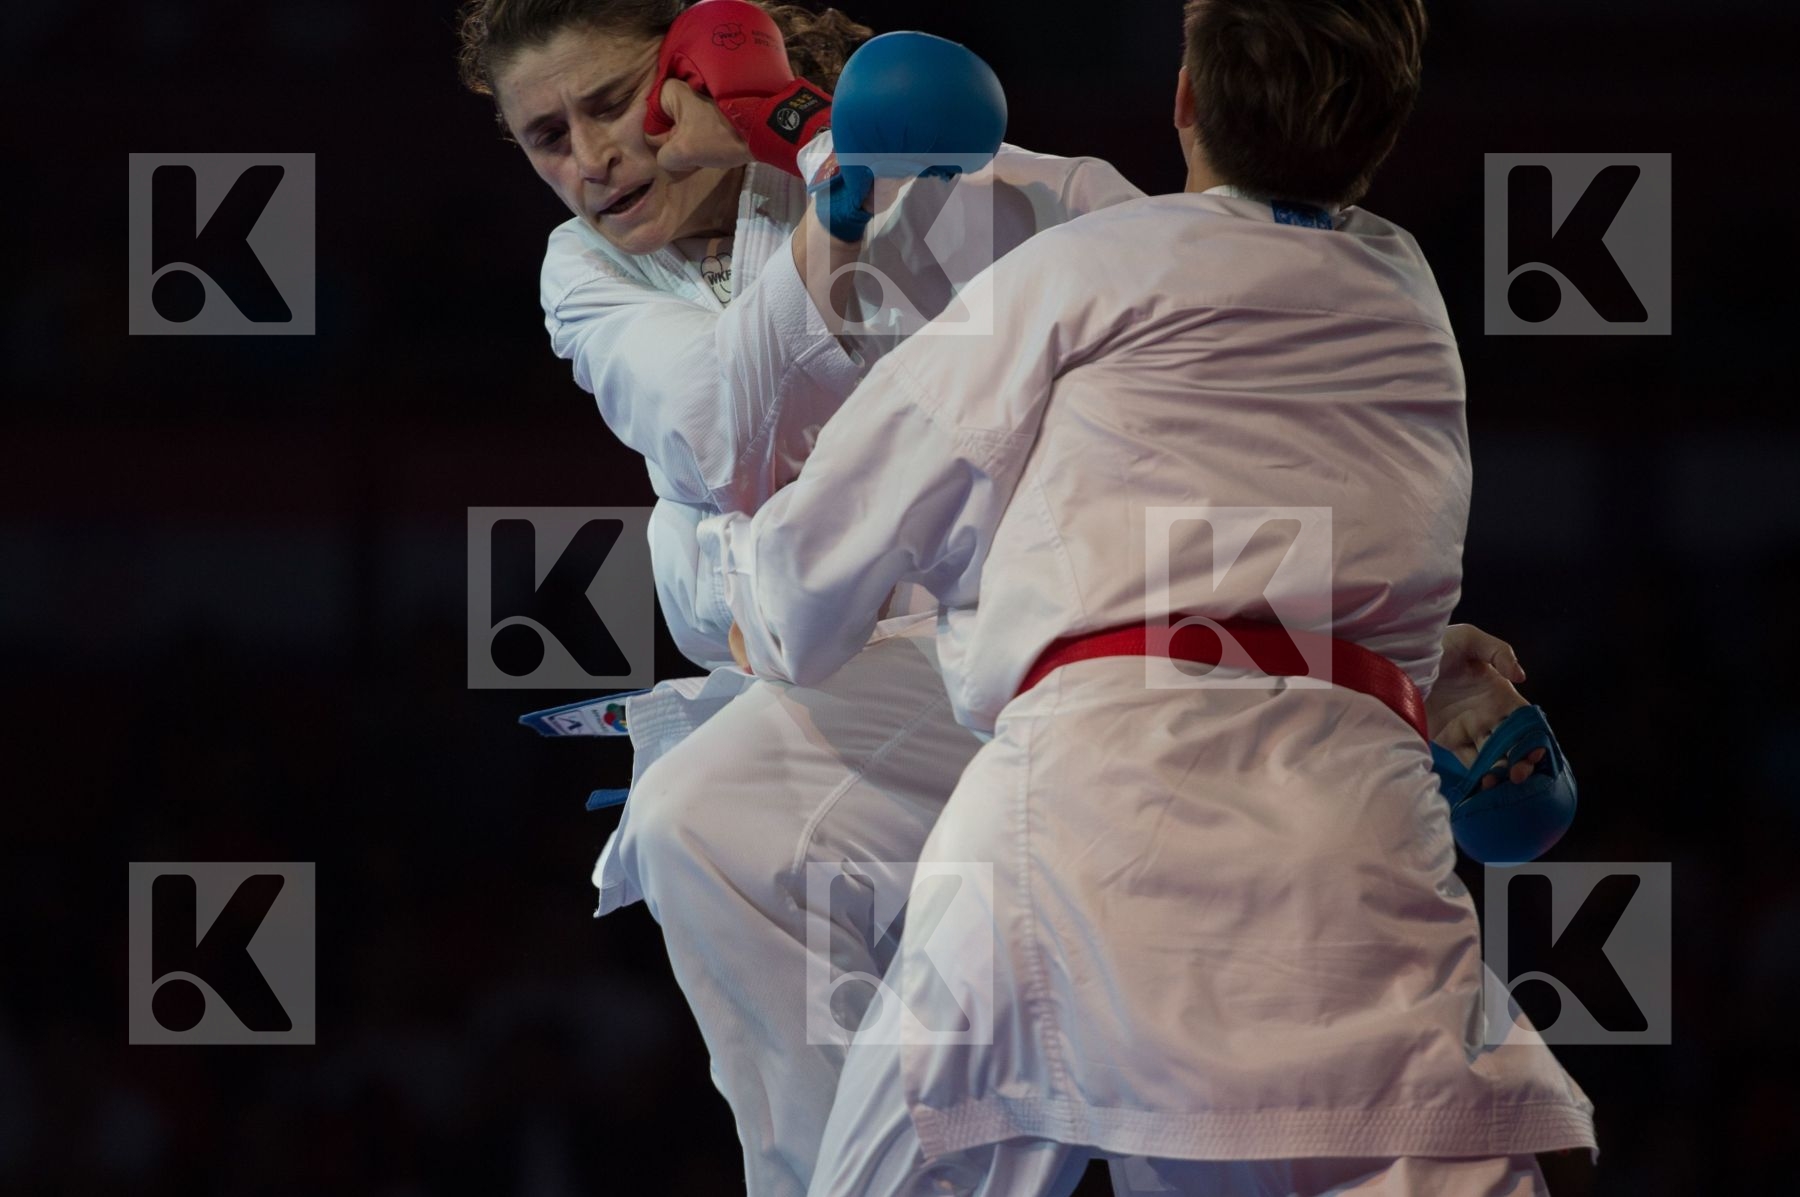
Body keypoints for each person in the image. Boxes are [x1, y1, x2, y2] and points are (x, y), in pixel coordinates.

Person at [459, 2, 1566, 1192]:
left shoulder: (1009, 193)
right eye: (545, 136)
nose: (590, 158)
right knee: (706, 824)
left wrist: (1405, 650)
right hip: (886, 680)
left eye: (610, 102)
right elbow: (719, 431)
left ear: (693, 63)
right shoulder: (586, 271)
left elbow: (1243, 353)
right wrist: (824, 162)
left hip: (1070, 663)